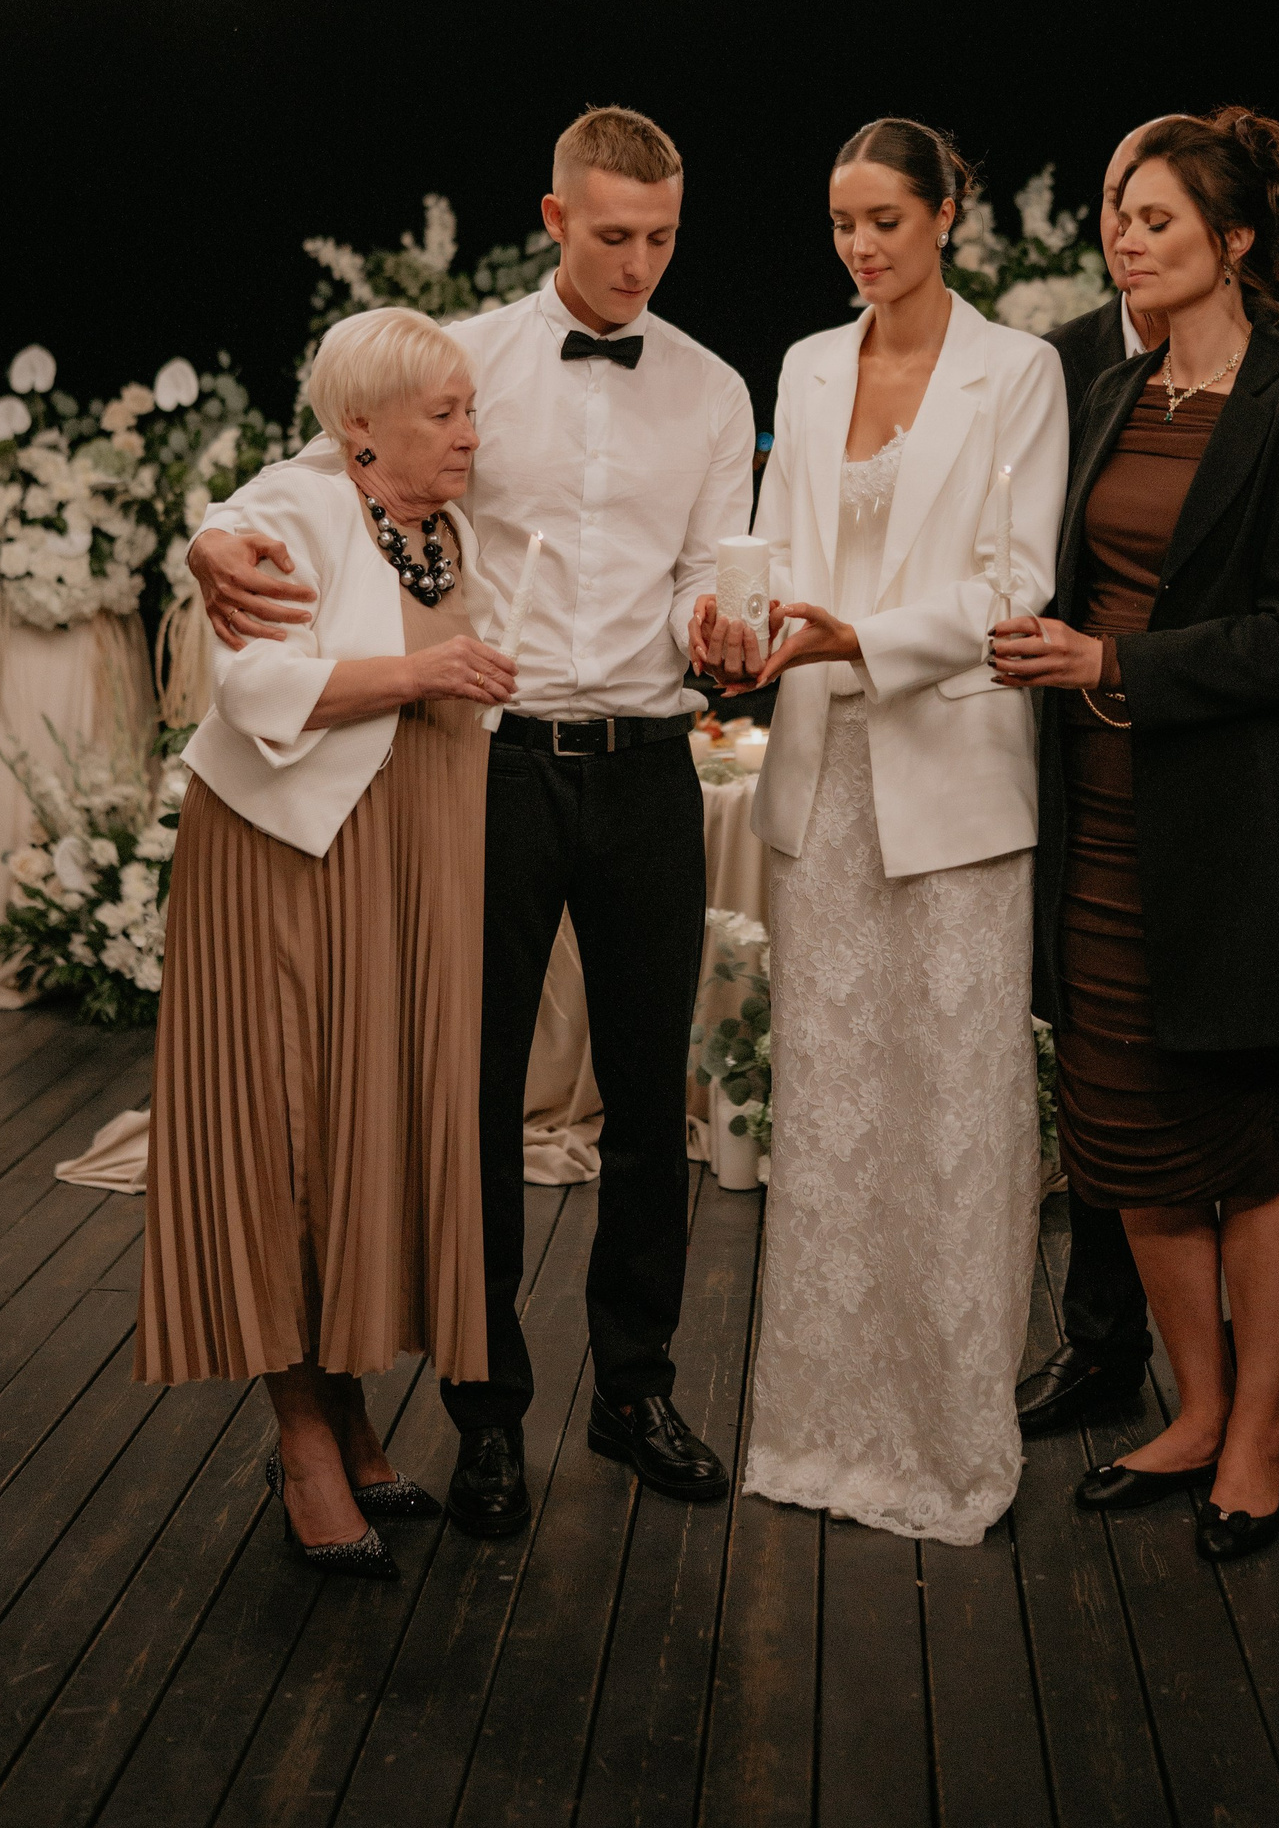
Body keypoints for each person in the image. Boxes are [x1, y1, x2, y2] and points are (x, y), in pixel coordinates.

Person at [189, 108, 755, 1537]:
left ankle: (635, 1389)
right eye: (613, 236)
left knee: (649, 1100)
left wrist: (718, 623)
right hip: (486, 766)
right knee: (472, 1095)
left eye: (663, 238)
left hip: (647, 760)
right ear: (555, 220)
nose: (640, 264)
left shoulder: (713, 387)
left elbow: (709, 568)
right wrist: (208, 536)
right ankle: (485, 1413)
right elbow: (316, 469)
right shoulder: (466, 361)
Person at [994, 110, 1279, 1562]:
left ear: (1233, 239)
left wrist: (1116, 666)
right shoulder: (1109, 392)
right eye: (1117, 214)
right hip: (1099, 821)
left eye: (1155, 218)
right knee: (1126, 1128)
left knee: (1253, 1130)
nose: (1125, 237)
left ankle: (1261, 1423)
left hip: (1235, 821)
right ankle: (1197, 1405)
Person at [694, 118, 1067, 1545]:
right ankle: (817, 1429)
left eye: (885, 220)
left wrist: (867, 639)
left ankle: (954, 1442)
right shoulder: (805, 364)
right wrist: (747, 624)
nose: (859, 246)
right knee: (837, 1108)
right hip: (819, 776)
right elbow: (773, 544)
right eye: (842, 222)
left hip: (953, 771)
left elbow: (1019, 582)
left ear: (946, 215)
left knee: (957, 1107)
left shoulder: (1016, 370)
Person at [137, 307, 513, 1577]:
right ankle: (301, 1435)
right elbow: (253, 686)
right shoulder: (296, 505)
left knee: (363, 1127)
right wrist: (423, 676)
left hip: (410, 859)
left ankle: (346, 1405)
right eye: (443, 415)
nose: (470, 436)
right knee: (289, 1137)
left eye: (469, 411)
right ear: (359, 431)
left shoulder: (446, 525)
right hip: (292, 859)